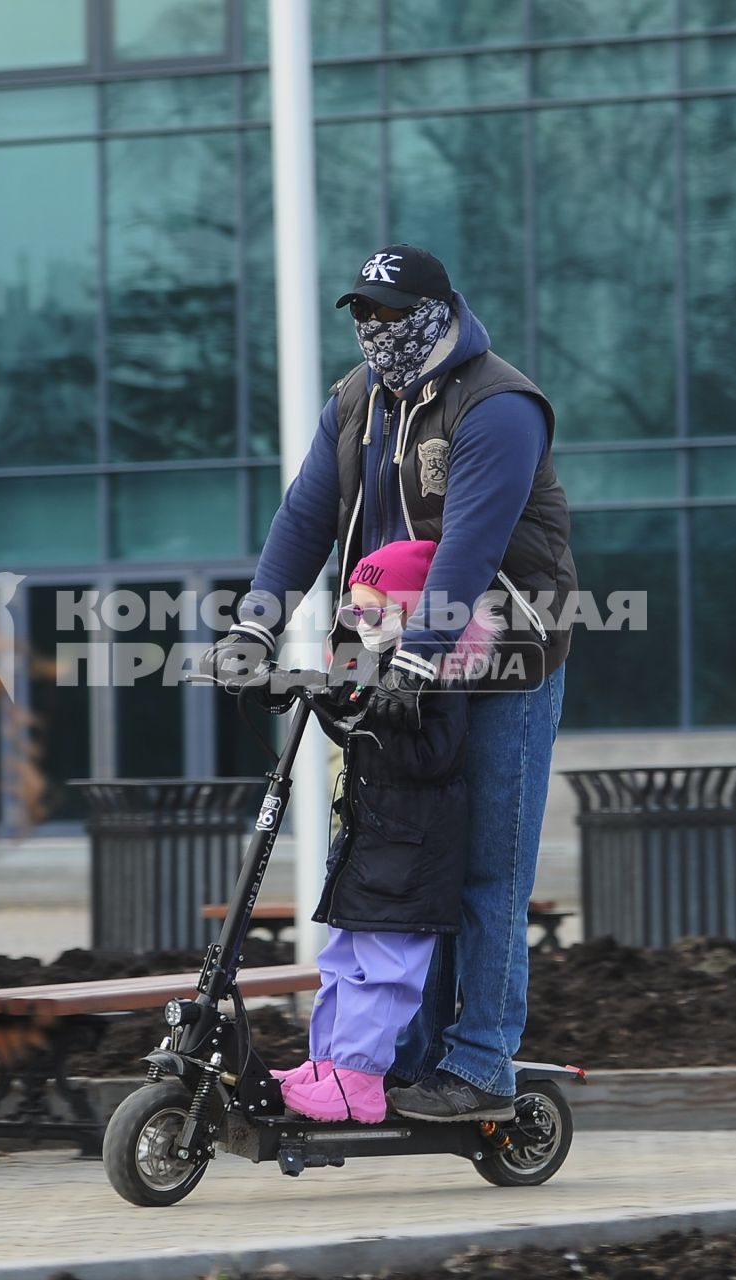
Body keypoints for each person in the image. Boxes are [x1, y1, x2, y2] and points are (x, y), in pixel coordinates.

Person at [207, 243, 574, 1122]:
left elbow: (470, 547)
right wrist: (255, 622)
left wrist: (419, 657)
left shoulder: (499, 405)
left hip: (502, 657)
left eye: (391, 313)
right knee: (412, 860)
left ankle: (481, 1064)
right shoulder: (357, 402)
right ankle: (396, 1065)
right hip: (392, 651)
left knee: (487, 870)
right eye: (362, 314)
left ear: (439, 310)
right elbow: (305, 517)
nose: (375, 330)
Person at [273, 539, 468, 1124]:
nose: (363, 624)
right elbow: (352, 728)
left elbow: (437, 758)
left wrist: (390, 715)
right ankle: (327, 1063)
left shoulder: (438, 674)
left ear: (412, 608)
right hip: (371, 843)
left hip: (413, 852)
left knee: (385, 970)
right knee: (341, 959)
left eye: (375, 611)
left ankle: (358, 1078)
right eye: (356, 612)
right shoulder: (371, 662)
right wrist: (325, 701)